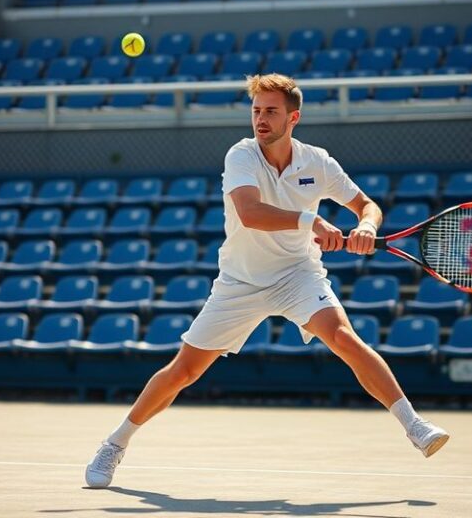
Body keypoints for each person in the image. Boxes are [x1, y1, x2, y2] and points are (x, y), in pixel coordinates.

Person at [85, 73, 449, 488]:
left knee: (343, 337)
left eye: (270, 111)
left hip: (297, 274)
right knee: (183, 372)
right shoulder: (241, 155)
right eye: (256, 110)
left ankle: (414, 425)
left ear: (293, 117)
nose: (260, 118)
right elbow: (251, 214)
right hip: (241, 281)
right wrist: (311, 220)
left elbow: (366, 205)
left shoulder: (318, 161)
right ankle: (116, 442)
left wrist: (366, 226)